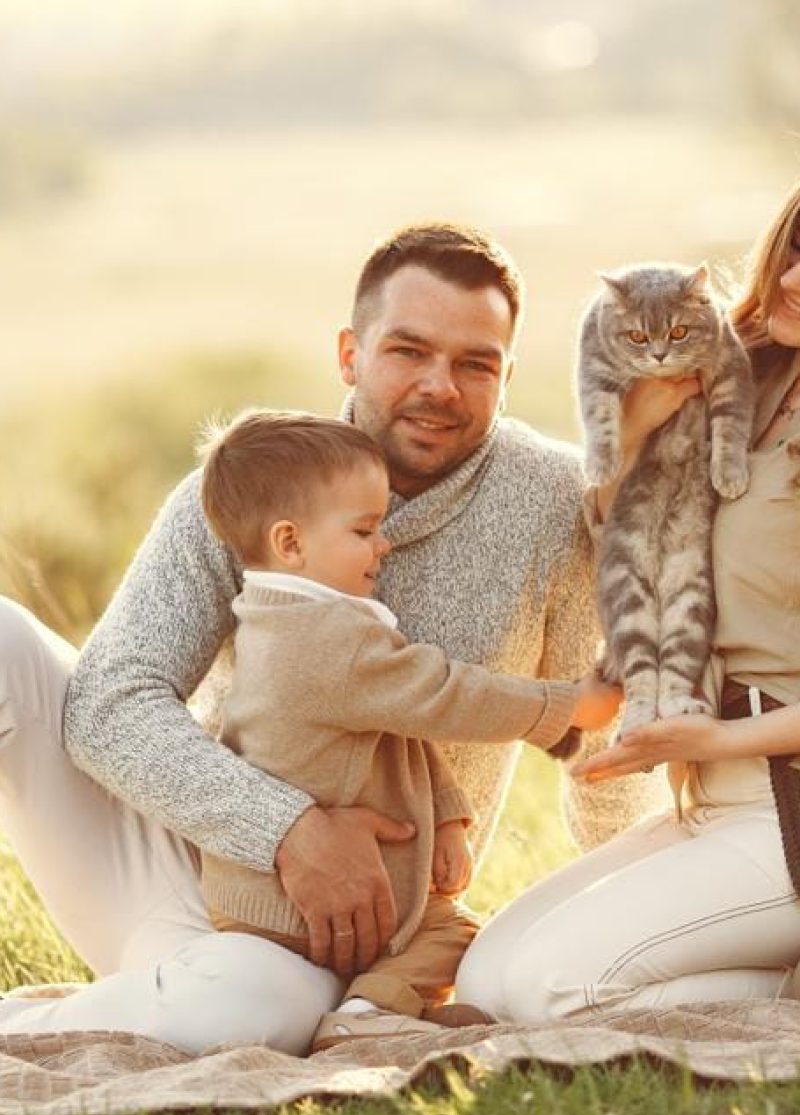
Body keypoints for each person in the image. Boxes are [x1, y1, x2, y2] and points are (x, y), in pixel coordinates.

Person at [0, 223, 656, 1055]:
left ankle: (142, 1005)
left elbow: (590, 742)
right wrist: (285, 828)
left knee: (241, 1014)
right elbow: (108, 701)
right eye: (407, 351)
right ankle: (152, 992)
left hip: (338, 940)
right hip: (174, 867)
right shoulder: (255, 478)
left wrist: (637, 903)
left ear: (507, 375)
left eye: (475, 363)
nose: (440, 387)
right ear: (350, 352)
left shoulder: (556, 501)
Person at [455, 185, 800, 1024]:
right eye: (796, 247)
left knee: (551, 990)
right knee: (487, 982)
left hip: (781, 791)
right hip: (710, 788)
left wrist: (717, 735)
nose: (795, 277)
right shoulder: (744, 366)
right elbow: (622, 526)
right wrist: (639, 427)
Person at [196, 409, 619, 1050]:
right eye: (365, 529)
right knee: (452, 932)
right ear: (291, 543)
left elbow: (401, 733)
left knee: (443, 924)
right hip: (290, 907)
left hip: (267, 894)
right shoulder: (324, 639)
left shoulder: (291, 617)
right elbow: (445, 696)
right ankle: (367, 1019)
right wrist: (566, 706)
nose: (383, 543)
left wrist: (447, 818)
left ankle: (376, 1007)